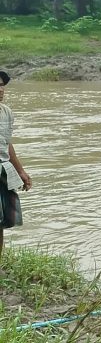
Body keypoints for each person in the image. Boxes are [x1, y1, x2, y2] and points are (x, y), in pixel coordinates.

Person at [0, 71, 31, 261]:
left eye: (2, 85)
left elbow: (6, 143)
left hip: (2, 170)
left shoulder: (6, 112)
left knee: (1, 222)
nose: (1, 90)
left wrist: (20, 171)